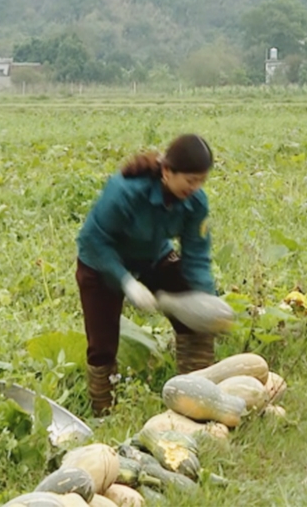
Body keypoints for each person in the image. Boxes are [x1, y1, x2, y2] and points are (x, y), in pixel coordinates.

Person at [76, 133, 217, 415]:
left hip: (153, 256)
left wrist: (204, 297)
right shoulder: (125, 190)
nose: (196, 187)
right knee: (102, 344)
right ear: (167, 171)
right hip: (102, 261)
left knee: (194, 317)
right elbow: (92, 239)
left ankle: (198, 395)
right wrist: (126, 282)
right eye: (190, 180)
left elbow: (197, 253)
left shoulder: (195, 202)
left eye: (201, 180)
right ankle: (104, 411)